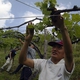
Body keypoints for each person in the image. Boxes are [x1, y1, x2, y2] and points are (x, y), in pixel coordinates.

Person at [19, 14, 75, 80]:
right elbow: (22, 60)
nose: (55, 49)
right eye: (54, 47)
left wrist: (63, 29)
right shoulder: (43, 63)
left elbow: (69, 54)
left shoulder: (65, 66)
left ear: (64, 54)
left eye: (59, 47)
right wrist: (27, 41)